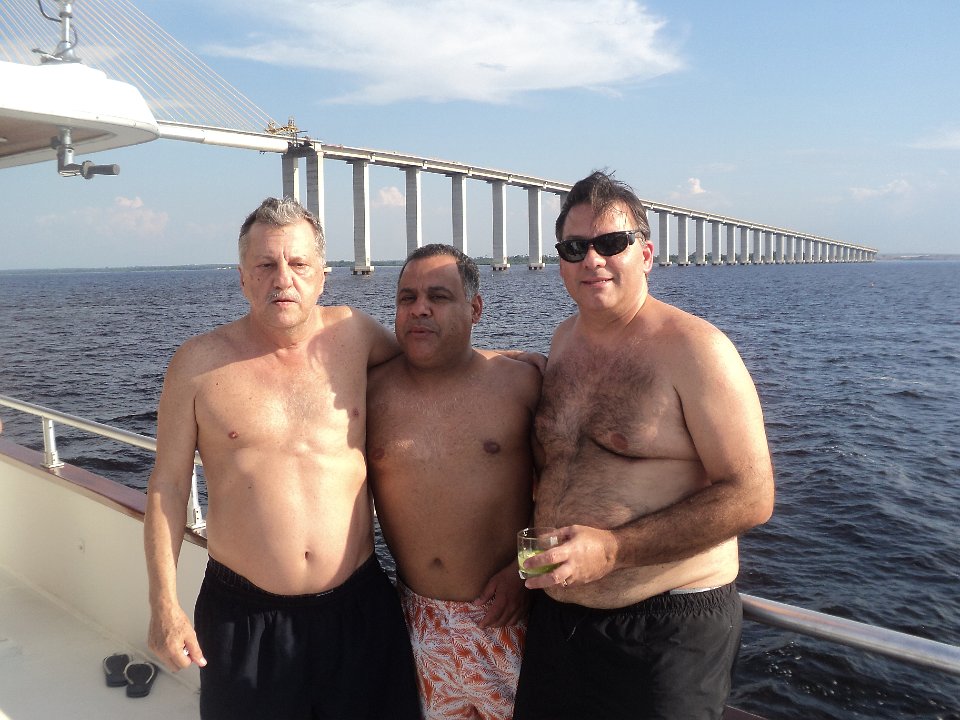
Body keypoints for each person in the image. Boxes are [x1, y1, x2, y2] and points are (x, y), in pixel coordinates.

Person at [143, 197, 419, 720]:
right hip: (245, 619)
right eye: (266, 265)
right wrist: (164, 603)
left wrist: (499, 365)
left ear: (322, 277)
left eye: (298, 263)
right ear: (243, 278)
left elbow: (430, 367)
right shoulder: (197, 365)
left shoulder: (355, 333)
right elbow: (168, 486)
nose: (282, 279)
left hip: (358, 610)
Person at [513, 171, 775, 720]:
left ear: (647, 254)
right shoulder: (562, 343)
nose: (592, 260)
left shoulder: (696, 350)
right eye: (574, 248)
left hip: (666, 632)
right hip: (559, 620)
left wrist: (613, 550)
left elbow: (751, 496)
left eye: (612, 243)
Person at [367, 244, 541, 720]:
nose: (420, 308)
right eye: (407, 298)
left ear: (475, 308)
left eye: (439, 297)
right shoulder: (368, 392)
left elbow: (566, 491)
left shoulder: (521, 384)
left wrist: (528, 573)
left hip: (511, 615)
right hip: (414, 622)